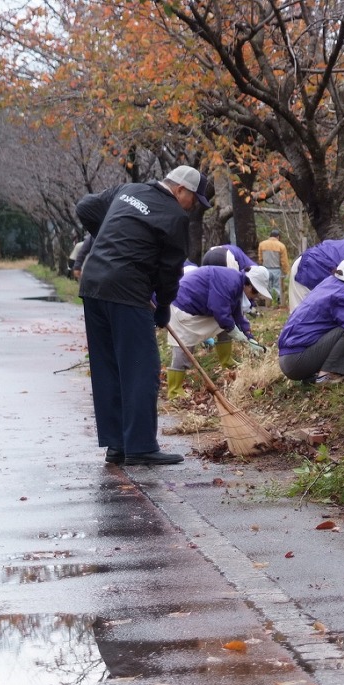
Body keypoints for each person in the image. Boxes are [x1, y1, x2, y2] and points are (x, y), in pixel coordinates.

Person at [76, 164, 212, 465]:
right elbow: (170, 270)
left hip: (93, 283)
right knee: (141, 367)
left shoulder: (128, 190)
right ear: (181, 190)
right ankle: (139, 447)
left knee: (108, 367)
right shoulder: (174, 216)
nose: (192, 209)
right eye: (194, 201)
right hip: (127, 291)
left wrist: (109, 237)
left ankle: (117, 445)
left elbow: (85, 206)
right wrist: (164, 306)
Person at [165, 265, 272, 398]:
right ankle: (174, 391)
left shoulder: (237, 284)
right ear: (249, 285)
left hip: (199, 309)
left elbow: (237, 315)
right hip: (182, 306)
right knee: (184, 346)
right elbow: (221, 312)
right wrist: (238, 334)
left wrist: (249, 337)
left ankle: (227, 361)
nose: (254, 297)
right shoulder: (230, 283)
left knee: (228, 325)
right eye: (256, 292)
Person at [256, 228, 289, 305]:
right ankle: (276, 303)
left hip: (265, 269)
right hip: (276, 269)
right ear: (278, 237)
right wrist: (287, 271)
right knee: (277, 287)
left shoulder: (262, 244)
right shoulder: (281, 246)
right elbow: (284, 261)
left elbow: (260, 259)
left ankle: (268, 303)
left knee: (268, 287)